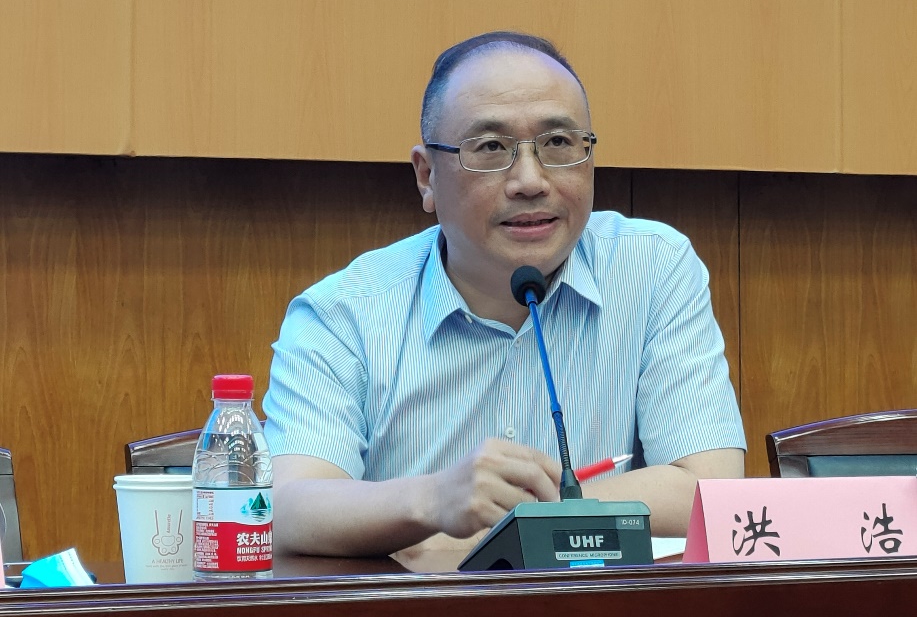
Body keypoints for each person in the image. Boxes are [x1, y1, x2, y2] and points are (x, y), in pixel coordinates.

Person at [262, 31, 746, 560]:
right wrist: (434, 500)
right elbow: (287, 507)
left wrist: (512, 526)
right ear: (427, 176)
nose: (530, 181)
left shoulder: (652, 268)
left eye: (558, 144)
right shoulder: (343, 314)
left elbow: (710, 490)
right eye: (491, 148)